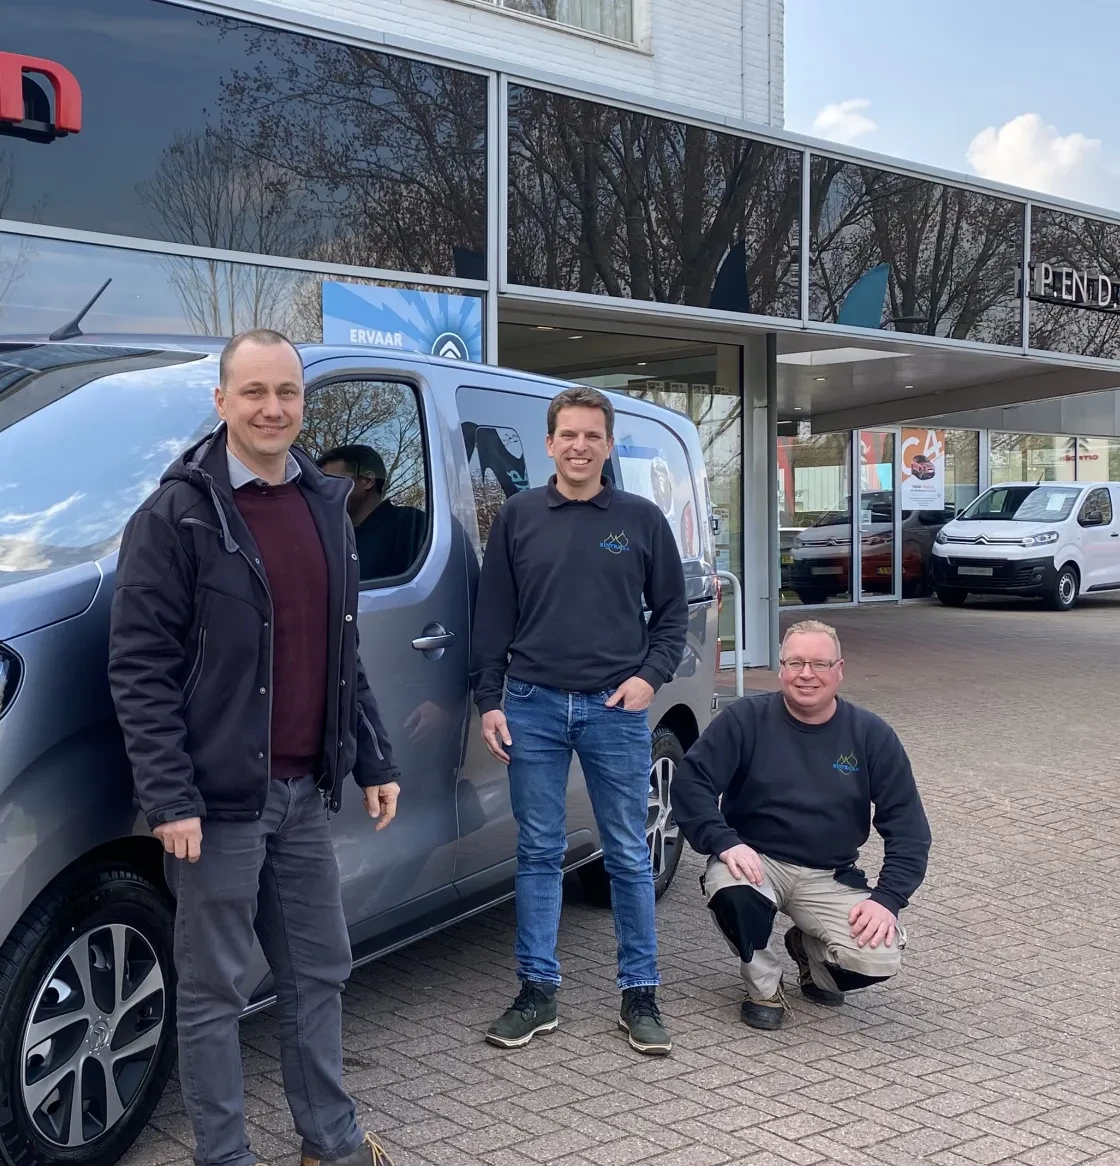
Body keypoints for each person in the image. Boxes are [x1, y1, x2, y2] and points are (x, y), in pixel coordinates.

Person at [107, 328, 444, 1166]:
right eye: (252, 392)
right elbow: (138, 666)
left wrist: (373, 757)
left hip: (303, 792)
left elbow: (344, 655)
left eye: (286, 392)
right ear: (221, 403)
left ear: (304, 402)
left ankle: (328, 1142)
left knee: (319, 969)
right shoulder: (176, 516)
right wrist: (168, 794)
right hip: (216, 804)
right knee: (215, 988)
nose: (271, 408)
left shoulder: (324, 504)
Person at [471, 385, 689, 1056]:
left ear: (606, 443)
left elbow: (673, 617)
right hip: (532, 706)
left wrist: (646, 679)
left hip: (612, 710)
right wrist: (490, 701)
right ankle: (537, 992)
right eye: (568, 434)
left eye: (592, 435)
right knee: (538, 853)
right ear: (548, 443)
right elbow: (493, 617)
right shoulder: (517, 516)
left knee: (625, 852)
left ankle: (640, 995)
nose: (579, 445)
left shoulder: (641, 519)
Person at [670, 619, 931, 1030]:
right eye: (795, 662)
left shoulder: (871, 735)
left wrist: (888, 899)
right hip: (756, 861)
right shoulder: (745, 720)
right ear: (781, 669)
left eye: (818, 664)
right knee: (733, 891)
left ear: (839, 670)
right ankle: (764, 988)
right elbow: (690, 783)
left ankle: (810, 955)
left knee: (878, 957)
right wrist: (723, 841)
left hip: (829, 874)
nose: (806, 674)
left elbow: (910, 828)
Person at [316, 444, 427, 580]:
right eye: (321, 486)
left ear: (367, 481)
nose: (324, 492)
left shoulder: (410, 525)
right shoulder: (332, 536)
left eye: (332, 482)